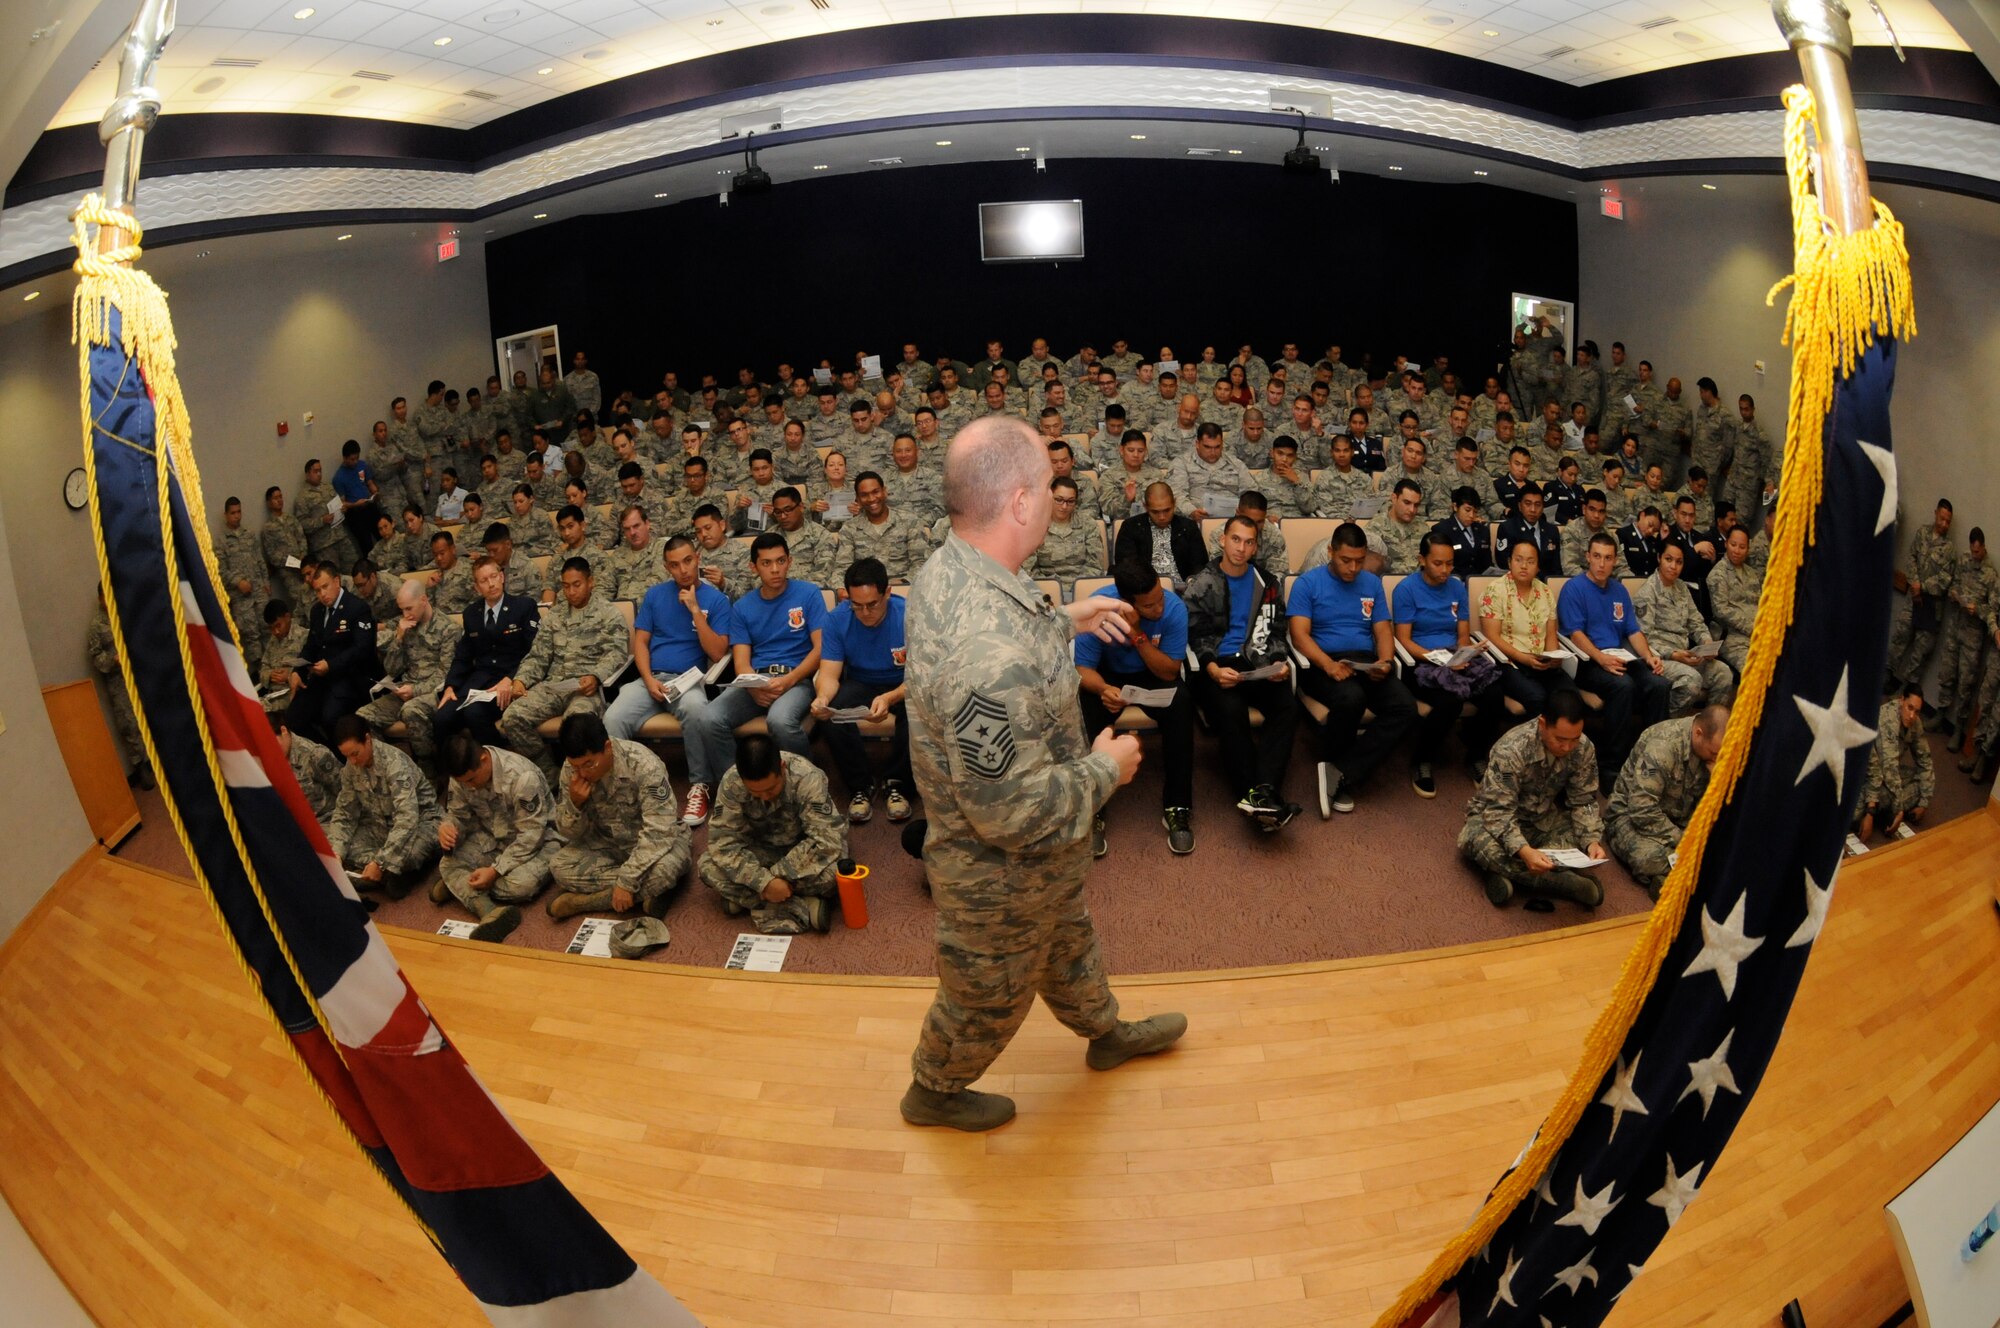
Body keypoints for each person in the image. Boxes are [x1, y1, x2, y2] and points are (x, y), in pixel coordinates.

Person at [900, 416, 1185, 1134]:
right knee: (986, 992)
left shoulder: (953, 569)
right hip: (997, 867)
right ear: (1022, 503)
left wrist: (1068, 620)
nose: (1061, 499)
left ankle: (1105, 1033)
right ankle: (934, 1087)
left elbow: (1008, 624)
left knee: (1069, 939)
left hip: (1042, 860)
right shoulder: (986, 648)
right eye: (1052, 486)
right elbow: (1009, 810)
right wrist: (1104, 769)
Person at [1288, 523, 1418, 815]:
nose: (1353, 567)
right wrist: (1328, 665)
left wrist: (1384, 661)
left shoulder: (1371, 583)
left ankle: (1341, 771)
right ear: (1331, 552)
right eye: (1346, 560)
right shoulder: (1307, 584)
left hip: (1364, 659)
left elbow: (1383, 630)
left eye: (1359, 561)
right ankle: (1337, 766)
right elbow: (1299, 635)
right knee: (1352, 697)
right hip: (1321, 660)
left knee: (1405, 707)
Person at [1186, 514, 1302, 829]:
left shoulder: (1268, 583)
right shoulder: (1203, 582)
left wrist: (1278, 662)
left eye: (1249, 542)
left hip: (1256, 662)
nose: (1241, 547)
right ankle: (1253, 794)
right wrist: (1211, 668)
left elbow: (1277, 632)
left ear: (1255, 547)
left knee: (1286, 707)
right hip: (1218, 664)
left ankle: (1263, 790)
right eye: (1235, 539)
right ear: (1223, 540)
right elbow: (1194, 635)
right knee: (1231, 709)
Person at [1076, 557, 1197, 854]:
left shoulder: (1174, 609)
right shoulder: (1099, 608)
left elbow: (1169, 671)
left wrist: (1136, 633)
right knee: (1087, 705)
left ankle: (1177, 806)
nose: (1159, 608)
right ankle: (1095, 809)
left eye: (1159, 598)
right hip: (1108, 675)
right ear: (1127, 604)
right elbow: (1081, 669)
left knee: (1181, 702)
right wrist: (1104, 689)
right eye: (1149, 606)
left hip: (1152, 671)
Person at [687, 530, 826, 771]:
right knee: (708, 719)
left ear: (789, 562)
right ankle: (736, 783)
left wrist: (789, 680)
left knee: (780, 721)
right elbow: (741, 662)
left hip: (797, 678)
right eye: (766, 563)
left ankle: (805, 781)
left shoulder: (809, 594)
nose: (775, 569)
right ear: (754, 567)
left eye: (781, 561)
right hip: (757, 680)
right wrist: (752, 688)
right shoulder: (742, 607)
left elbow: (821, 649)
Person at [1457, 689, 1607, 909]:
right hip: (1495, 821)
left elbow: (1583, 800)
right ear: (1543, 724)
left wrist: (1591, 841)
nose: (1567, 747)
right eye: (1560, 739)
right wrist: (1524, 851)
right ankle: (1561, 883)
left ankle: (1503, 873)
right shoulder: (1512, 749)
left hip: (1542, 820)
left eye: (1574, 739)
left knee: (1581, 837)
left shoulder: (1583, 748)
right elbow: (1498, 811)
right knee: (1472, 839)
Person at [700, 734, 849, 935]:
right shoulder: (732, 782)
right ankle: (802, 904)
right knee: (707, 866)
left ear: (782, 768)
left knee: (837, 872)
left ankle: (750, 901)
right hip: (761, 851)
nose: (764, 797)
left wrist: (774, 878)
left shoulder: (807, 778)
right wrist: (764, 882)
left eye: (771, 789)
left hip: (801, 853)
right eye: (755, 792)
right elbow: (723, 843)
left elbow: (825, 841)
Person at [548, 711, 691, 919]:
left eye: (589, 764)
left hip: (654, 844)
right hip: (608, 845)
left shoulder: (644, 765)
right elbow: (569, 833)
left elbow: (660, 833)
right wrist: (575, 805)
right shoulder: (573, 769)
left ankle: (585, 903)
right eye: (575, 766)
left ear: (607, 748)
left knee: (667, 869)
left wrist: (627, 880)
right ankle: (648, 893)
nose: (583, 774)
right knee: (559, 867)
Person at [1394, 534, 1508, 792]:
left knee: (1494, 696)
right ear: (1421, 560)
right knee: (1450, 701)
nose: (1445, 570)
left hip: (1454, 656)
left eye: (1449, 563)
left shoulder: (1457, 587)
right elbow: (1404, 640)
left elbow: (1462, 635)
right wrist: (1442, 661)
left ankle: (1475, 754)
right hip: (1422, 660)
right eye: (1438, 563)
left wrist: (1465, 653)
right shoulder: (1406, 589)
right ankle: (1422, 759)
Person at [497, 558, 628, 779]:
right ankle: (549, 776)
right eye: (565, 586)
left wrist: (596, 676)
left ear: (591, 582)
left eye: (576, 584)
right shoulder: (554, 616)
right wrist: (521, 680)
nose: (570, 592)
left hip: (585, 688)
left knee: (577, 727)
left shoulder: (608, 614)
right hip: (554, 685)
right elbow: (538, 656)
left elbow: (618, 653)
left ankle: (583, 777)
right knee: (512, 717)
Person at [1558, 532, 1672, 785]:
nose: (1601, 563)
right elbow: (1575, 634)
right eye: (1596, 556)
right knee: (1624, 687)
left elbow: (1633, 631)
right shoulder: (1573, 589)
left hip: (1620, 657)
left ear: (1614, 561)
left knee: (1659, 684)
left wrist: (1649, 657)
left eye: (1607, 558)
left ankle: (1651, 758)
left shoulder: (1620, 591)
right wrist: (1601, 658)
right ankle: (1612, 766)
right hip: (1588, 661)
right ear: (1587, 557)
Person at [809, 558, 916, 824]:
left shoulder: (910, 616)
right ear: (846, 597)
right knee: (832, 714)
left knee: (919, 711)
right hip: (861, 681)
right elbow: (830, 675)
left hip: (905, 682)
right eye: (857, 605)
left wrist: (890, 697)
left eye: (872, 604)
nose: (865, 612)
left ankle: (898, 783)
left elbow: (922, 675)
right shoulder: (836, 620)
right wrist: (822, 698)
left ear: (888, 593)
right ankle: (860, 786)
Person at [433, 732, 557, 943]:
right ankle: (489, 911)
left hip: (539, 842)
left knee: (522, 885)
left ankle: (462, 887)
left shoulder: (522, 777)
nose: (469, 786)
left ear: (483, 759)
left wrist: (495, 871)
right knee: (447, 864)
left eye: (472, 780)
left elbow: (531, 836)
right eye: (464, 782)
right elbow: (460, 816)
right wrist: (448, 827)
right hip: (492, 837)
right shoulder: (461, 777)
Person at [1606, 707, 1729, 900]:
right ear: (1698, 733)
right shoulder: (1662, 747)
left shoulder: (1716, 750)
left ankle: (1674, 874)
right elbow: (1642, 809)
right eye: (1714, 754)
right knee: (1646, 858)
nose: (1717, 759)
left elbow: (1716, 809)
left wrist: (1717, 782)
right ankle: (1678, 876)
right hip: (1632, 817)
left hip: (1680, 817)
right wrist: (1685, 841)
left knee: (1729, 845)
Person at [325, 714, 443, 900]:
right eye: (346, 756)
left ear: (368, 739)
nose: (352, 761)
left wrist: (379, 862)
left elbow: (407, 819)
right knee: (339, 844)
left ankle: (394, 871)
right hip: (382, 825)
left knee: (411, 853)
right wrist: (336, 853)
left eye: (355, 753)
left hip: (422, 822)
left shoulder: (395, 764)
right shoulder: (350, 767)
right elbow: (344, 812)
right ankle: (389, 873)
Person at [356, 576, 461, 779]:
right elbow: (393, 670)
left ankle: (429, 767)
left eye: (409, 608)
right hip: (405, 689)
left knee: (411, 710)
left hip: (435, 692)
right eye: (402, 609)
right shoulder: (406, 627)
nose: (405, 614)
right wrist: (398, 637)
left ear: (424, 600)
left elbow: (447, 674)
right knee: (363, 717)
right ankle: (391, 765)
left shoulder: (449, 629)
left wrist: (416, 691)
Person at [435, 556, 539, 748]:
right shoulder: (471, 613)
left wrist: (512, 678)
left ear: (502, 577)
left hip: (510, 680)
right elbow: (463, 656)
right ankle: (452, 772)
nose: (491, 584)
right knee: (442, 717)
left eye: (494, 576)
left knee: (474, 712)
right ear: (477, 587)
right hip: (479, 682)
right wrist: (450, 686)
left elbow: (534, 652)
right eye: (484, 580)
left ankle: (499, 756)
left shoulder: (524, 606)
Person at [1633, 542, 1735, 713]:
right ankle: (1670, 727)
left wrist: (1707, 643)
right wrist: (1673, 654)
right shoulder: (1648, 592)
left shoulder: (1681, 587)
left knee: (1724, 673)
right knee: (1691, 680)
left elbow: (1695, 622)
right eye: (1668, 559)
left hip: (1686, 654)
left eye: (1679, 562)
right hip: (1661, 658)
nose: (1673, 566)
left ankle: (1707, 725)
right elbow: (1643, 636)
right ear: (1659, 559)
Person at [288, 562, 382, 746]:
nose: (322, 594)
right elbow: (311, 645)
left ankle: (342, 759)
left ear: (337, 581)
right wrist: (296, 672)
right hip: (321, 677)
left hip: (350, 676)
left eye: (325, 587)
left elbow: (362, 649)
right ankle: (327, 754)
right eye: (317, 590)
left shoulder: (356, 608)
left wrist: (331, 665)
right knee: (293, 718)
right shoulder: (317, 611)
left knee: (330, 718)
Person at [1478, 539, 1570, 719]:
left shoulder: (1545, 592)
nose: (1524, 566)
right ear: (1509, 562)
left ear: (1538, 566)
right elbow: (1492, 637)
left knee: (1567, 696)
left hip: (1541, 661)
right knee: (1537, 698)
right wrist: (1525, 659)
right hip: (1509, 662)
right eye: (1518, 560)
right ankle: (1533, 745)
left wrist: (1554, 657)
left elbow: (1551, 634)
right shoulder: (1495, 591)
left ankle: (1560, 743)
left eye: (1530, 561)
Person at [1887, 499, 1958, 691]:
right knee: (1901, 636)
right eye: (1942, 518)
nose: (1944, 524)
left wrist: (1923, 587)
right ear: (1935, 513)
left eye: (1948, 521)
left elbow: (1945, 579)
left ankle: (1909, 691)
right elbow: (1912, 557)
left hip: (1931, 606)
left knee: (1921, 650)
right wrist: (1914, 583)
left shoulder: (1949, 549)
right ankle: (1888, 676)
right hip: (1913, 599)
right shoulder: (1922, 533)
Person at [1934, 525, 1996, 744]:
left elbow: (1992, 610)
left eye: (1978, 552)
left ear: (1984, 547)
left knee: (1965, 685)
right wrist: (1954, 593)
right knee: (1947, 673)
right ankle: (1941, 714)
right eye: (1973, 550)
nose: (1975, 555)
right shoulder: (1963, 561)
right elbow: (1955, 583)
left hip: (1973, 637)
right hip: (1956, 626)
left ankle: (1958, 730)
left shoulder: (1991, 574)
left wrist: (1977, 609)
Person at [86, 586, 152, 789]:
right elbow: (96, 657)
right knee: (130, 725)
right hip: (118, 682)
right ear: (100, 599)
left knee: (149, 715)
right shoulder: (97, 626)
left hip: (139, 674)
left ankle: (159, 758)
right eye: (106, 596)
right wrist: (113, 660)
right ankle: (142, 766)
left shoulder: (124, 614)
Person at [1857, 686, 1932, 843]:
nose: (1912, 716)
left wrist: (1924, 802)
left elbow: (1925, 761)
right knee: (1855, 813)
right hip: (1864, 777)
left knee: (1919, 781)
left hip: (1885, 775)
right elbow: (1888, 769)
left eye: (1917, 711)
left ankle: (1882, 810)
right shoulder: (1888, 720)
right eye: (1909, 708)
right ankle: (1878, 811)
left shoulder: (1914, 722)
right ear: (1901, 701)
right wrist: (1899, 811)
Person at [1112, 481, 1206, 590]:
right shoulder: (1131, 527)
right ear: (1145, 507)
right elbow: (1126, 566)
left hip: (1185, 589)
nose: (1162, 517)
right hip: (1143, 590)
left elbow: (1200, 565)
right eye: (1155, 512)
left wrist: (1191, 584)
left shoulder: (1188, 527)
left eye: (1167, 510)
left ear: (1174, 503)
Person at [1028, 477, 1107, 597]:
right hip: (1044, 590)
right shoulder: (1034, 525)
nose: (1064, 506)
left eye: (1070, 501)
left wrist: (1077, 588)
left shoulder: (1088, 524)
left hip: (1083, 588)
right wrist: (1053, 588)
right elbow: (1029, 568)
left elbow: (1095, 565)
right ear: (1049, 496)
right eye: (1059, 500)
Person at [1707, 525, 1763, 676]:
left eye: (1742, 547)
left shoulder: (1752, 574)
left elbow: (1761, 604)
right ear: (1726, 544)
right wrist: (1751, 628)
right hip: (1732, 639)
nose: (1737, 550)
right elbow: (1721, 610)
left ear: (1748, 548)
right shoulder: (1718, 574)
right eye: (1733, 545)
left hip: (1760, 636)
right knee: (1755, 672)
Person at [269, 710, 340, 821]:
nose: (271, 752)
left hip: (326, 819)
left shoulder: (314, 754)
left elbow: (344, 792)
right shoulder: (269, 760)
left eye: (273, 744)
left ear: (283, 731)